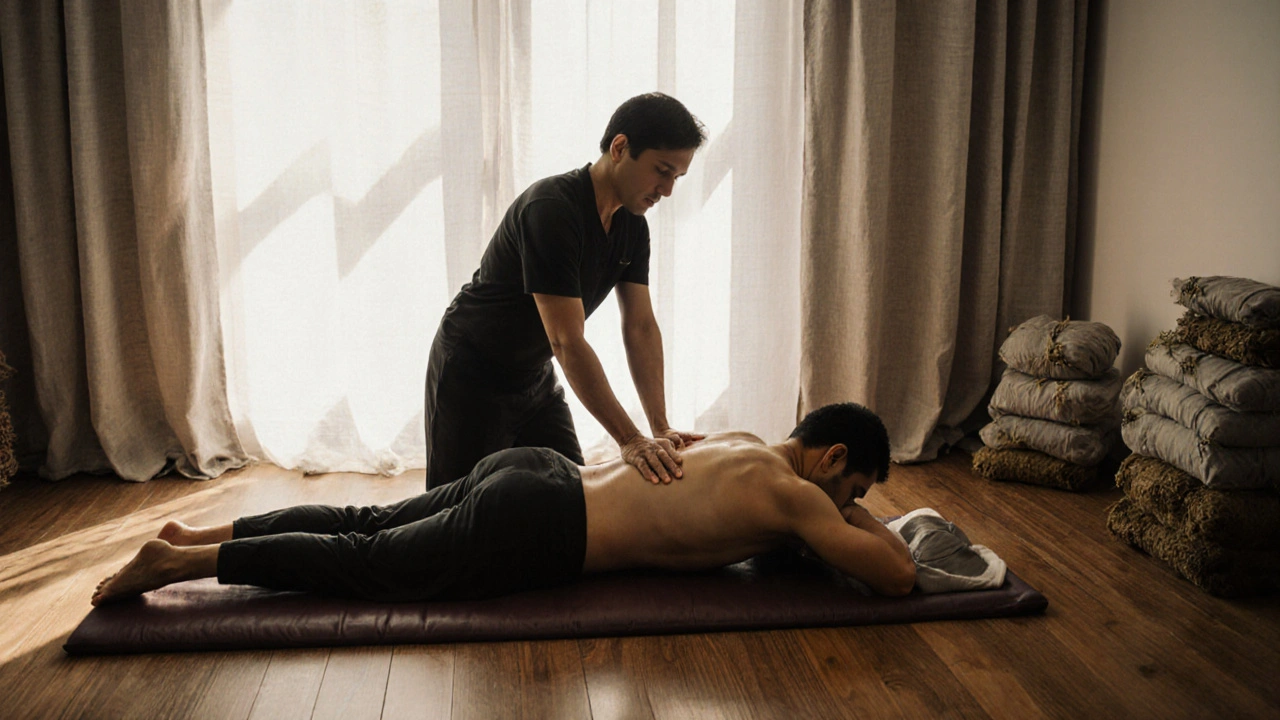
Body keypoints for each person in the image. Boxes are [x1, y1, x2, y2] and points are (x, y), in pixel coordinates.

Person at [91, 403, 916, 606]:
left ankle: (200, 529)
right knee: (369, 564)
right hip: (542, 527)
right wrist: (854, 518)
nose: (844, 505)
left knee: (365, 522)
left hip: (538, 469)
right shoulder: (796, 498)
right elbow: (896, 577)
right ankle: (181, 561)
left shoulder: (741, 438)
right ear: (833, 457)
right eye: (853, 488)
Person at [424, 92, 707, 491]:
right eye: (662, 171)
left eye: (676, 177)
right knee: (449, 517)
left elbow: (640, 326)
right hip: (472, 372)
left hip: (534, 377)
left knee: (572, 502)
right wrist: (630, 440)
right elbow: (566, 340)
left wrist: (659, 427)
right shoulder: (551, 209)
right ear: (620, 147)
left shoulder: (632, 226)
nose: (667, 190)